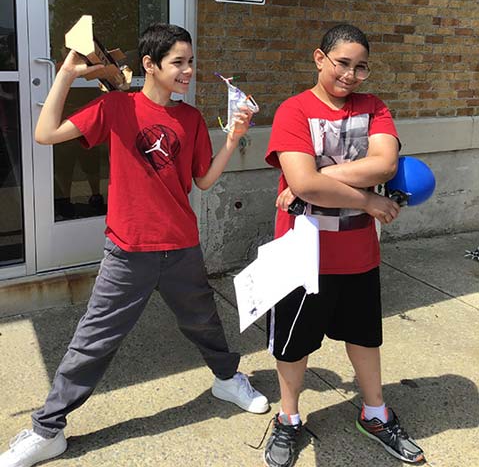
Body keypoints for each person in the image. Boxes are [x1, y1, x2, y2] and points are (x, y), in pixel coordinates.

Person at [0, 23, 268, 467]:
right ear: (150, 65)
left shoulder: (191, 118)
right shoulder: (116, 106)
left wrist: (233, 140)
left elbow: (201, 180)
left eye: (190, 61)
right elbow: (45, 134)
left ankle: (226, 378)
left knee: (204, 322)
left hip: (181, 246)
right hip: (128, 251)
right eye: (178, 62)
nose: (187, 71)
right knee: (94, 341)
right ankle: (48, 430)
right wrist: (69, 68)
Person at [263, 24, 425, 467]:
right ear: (319, 59)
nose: (351, 75)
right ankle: (289, 419)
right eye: (342, 64)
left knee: (364, 337)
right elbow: (305, 180)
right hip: (301, 254)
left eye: (361, 67)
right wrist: (369, 199)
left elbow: (385, 162)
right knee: (293, 345)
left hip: (357, 254)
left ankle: (375, 413)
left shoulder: (374, 108)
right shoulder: (294, 111)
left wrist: (315, 179)